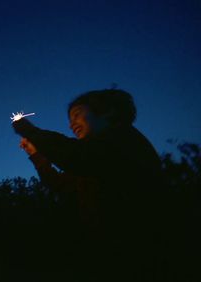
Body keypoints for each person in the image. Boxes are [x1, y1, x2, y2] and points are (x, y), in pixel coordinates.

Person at [13, 89, 164, 281]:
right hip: (108, 257)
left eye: (77, 114)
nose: (71, 124)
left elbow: (74, 155)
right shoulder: (95, 158)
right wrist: (36, 154)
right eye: (70, 119)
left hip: (135, 258)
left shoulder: (123, 140)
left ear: (107, 111)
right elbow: (62, 185)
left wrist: (31, 131)